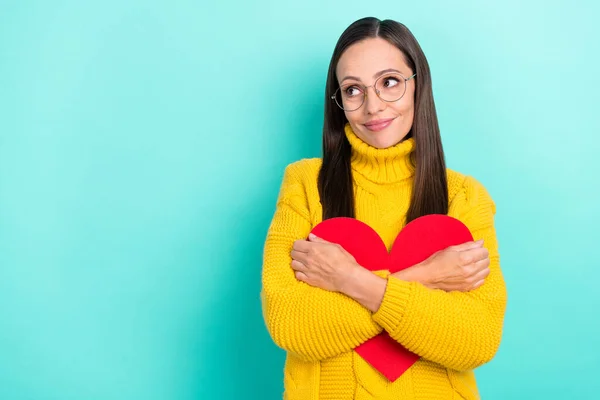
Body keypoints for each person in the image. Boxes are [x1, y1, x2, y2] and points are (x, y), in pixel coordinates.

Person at [260, 17, 507, 400]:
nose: (373, 106)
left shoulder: (464, 197)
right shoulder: (306, 184)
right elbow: (291, 326)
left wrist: (348, 279)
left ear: (416, 85)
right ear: (339, 102)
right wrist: (428, 274)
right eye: (353, 90)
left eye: (389, 82)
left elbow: (476, 340)